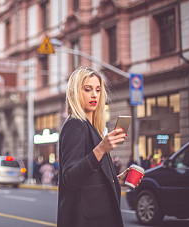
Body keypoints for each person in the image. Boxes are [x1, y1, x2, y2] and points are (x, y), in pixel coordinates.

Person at [57, 67, 139, 227]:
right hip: (86, 220)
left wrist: (115, 180)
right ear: (75, 92)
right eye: (87, 89)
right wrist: (101, 149)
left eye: (98, 90)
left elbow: (89, 176)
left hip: (97, 217)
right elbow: (70, 177)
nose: (94, 94)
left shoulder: (91, 127)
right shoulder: (75, 125)